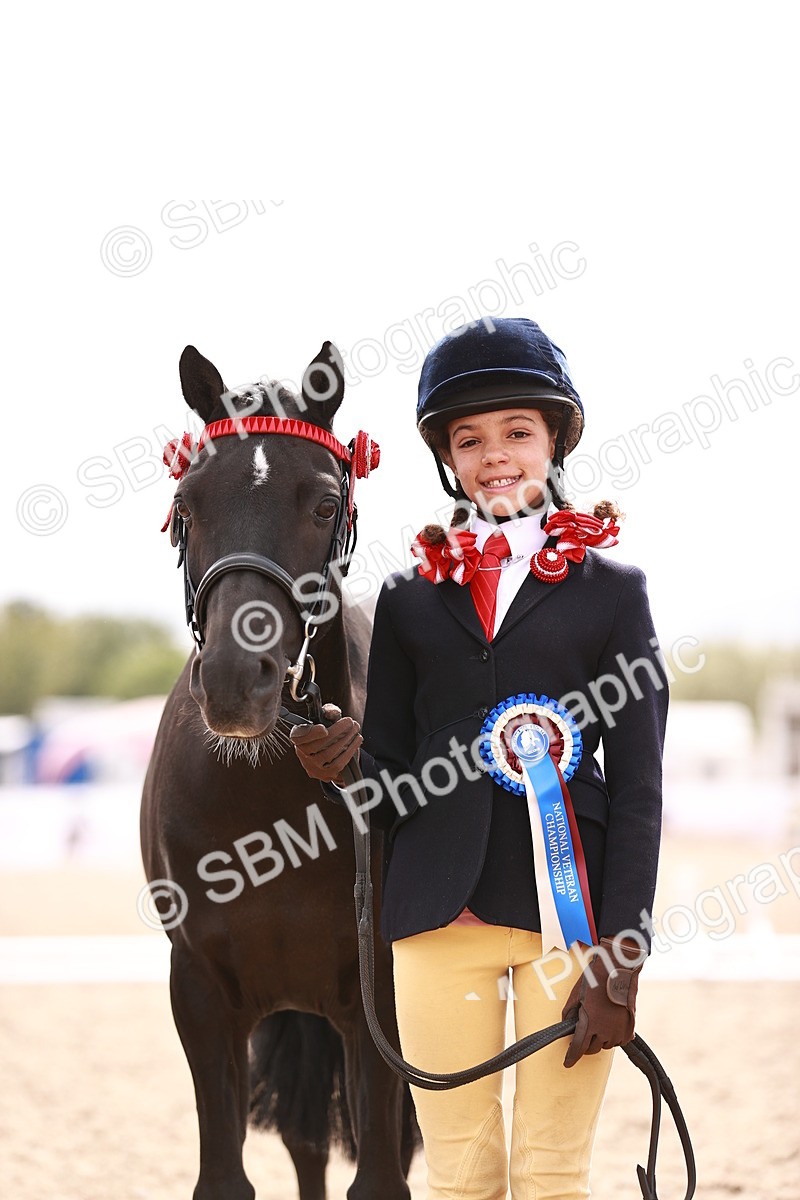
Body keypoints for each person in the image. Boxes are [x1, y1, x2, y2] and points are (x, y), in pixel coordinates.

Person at [291, 317, 668, 1200]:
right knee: (461, 1173)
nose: (495, 456)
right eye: (470, 439)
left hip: (570, 935)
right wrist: (341, 764)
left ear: (554, 439)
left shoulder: (615, 595)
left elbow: (643, 787)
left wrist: (622, 954)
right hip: (435, 922)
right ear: (447, 458)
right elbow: (388, 787)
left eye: (517, 433)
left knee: (551, 1169)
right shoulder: (409, 600)